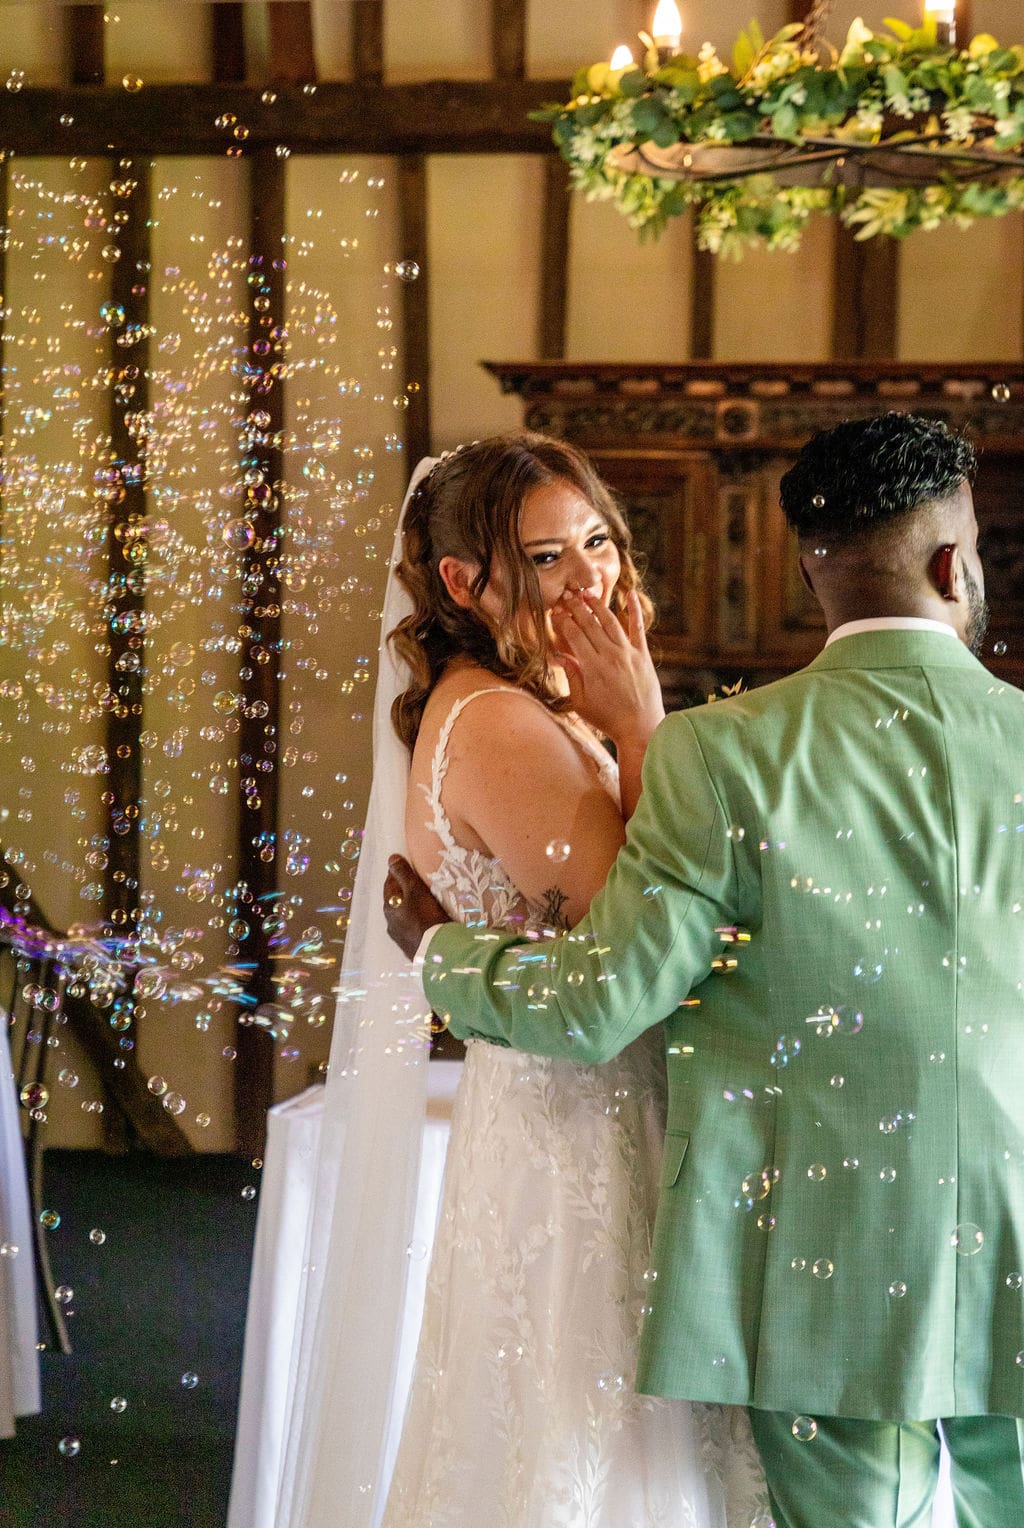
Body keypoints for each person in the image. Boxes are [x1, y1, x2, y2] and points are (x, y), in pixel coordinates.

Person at [385, 411, 1024, 1528]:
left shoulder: (719, 752)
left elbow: (601, 999)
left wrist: (442, 956)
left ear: (809, 570)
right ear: (951, 563)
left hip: (822, 1237)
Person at [376, 433, 766, 1528]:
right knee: (590, 1425)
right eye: (547, 557)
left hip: (584, 1100)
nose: (591, 576)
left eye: (596, 540)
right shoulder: (498, 720)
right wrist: (642, 725)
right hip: (578, 1115)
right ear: (464, 581)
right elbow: (635, 937)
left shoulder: (534, 702)